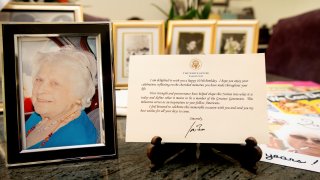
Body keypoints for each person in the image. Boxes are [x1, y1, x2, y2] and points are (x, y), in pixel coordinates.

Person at [25, 46, 98, 149]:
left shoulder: (75, 140)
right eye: (39, 80)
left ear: (78, 94)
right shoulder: (40, 115)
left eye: (55, 83)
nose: (40, 90)